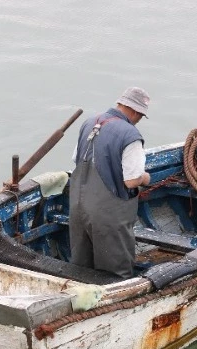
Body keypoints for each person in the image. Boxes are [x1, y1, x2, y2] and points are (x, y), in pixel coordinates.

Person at [69, 87, 151, 279]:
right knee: (116, 272)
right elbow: (131, 181)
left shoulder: (89, 122)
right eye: (140, 115)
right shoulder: (131, 135)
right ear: (136, 111)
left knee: (81, 267)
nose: (138, 119)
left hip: (77, 208)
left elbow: (76, 160)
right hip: (108, 216)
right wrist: (145, 178)